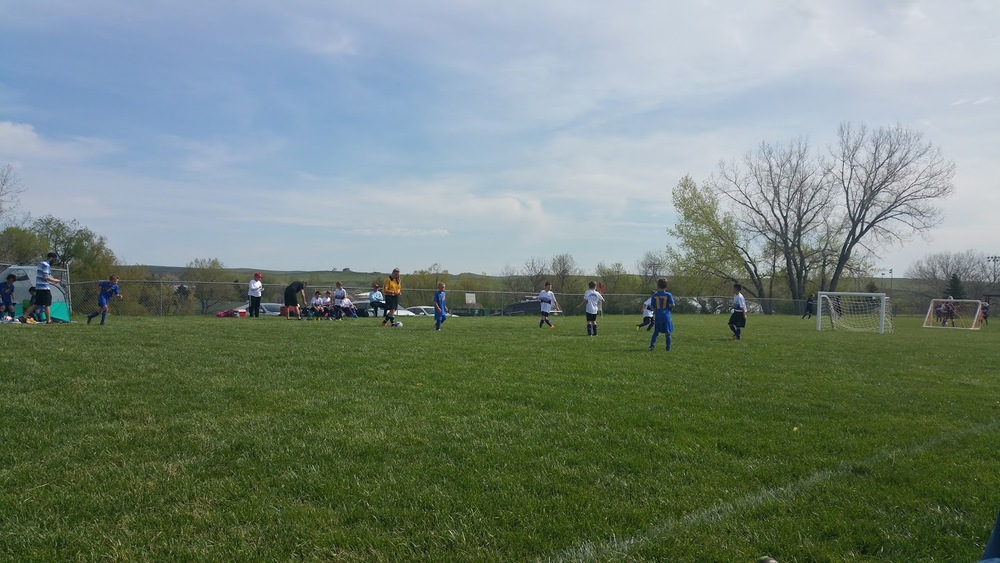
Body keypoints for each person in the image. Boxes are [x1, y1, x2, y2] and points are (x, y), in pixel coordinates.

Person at [23, 252, 60, 323]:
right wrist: (54, 280)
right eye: (54, 259)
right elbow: (45, 277)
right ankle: (49, 320)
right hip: (44, 288)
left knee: (36, 304)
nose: (54, 261)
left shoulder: (41, 263)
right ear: (51, 258)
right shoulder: (46, 265)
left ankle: (24, 316)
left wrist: (51, 281)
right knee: (47, 304)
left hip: (39, 288)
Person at [648, 277, 675, 351]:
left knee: (656, 332)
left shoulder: (655, 295)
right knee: (667, 333)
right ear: (666, 285)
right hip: (666, 316)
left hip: (658, 316)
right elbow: (672, 304)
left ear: (658, 285)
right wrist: (670, 308)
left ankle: (652, 346)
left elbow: (652, 306)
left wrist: (655, 310)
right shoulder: (668, 295)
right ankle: (668, 348)